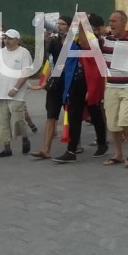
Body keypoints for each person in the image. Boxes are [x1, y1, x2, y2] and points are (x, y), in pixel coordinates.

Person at [51, 15, 107, 164]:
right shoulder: (73, 38)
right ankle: (71, 150)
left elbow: (85, 45)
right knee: (74, 117)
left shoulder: (94, 39)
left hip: (90, 83)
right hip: (75, 82)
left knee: (95, 115)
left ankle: (102, 143)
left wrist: (81, 25)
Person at [100, 10, 128, 169]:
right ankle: (118, 153)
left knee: (125, 119)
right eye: (110, 21)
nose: (111, 24)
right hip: (111, 85)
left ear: (123, 23)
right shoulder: (105, 40)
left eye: (114, 21)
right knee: (112, 122)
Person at [0, 29, 33, 157]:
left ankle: (25, 138)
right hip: (0, 92)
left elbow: (25, 73)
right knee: (1, 121)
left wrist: (16, 88)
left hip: (16, 94)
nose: (7, 41)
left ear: (17, 39)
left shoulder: (24, 53)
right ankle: (7, 148)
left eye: (10, 38)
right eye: (5, 38)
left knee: (18, 120)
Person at [28, 15, 71, 159]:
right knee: (51, 116)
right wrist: (45, 81)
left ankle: (74, 146)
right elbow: (50, 63)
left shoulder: (74, 41)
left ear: (69, 26)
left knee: (72, 115)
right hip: (55, 83)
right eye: (58, 24)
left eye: (63, 24)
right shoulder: (53, 42)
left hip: (71, 82)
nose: (59, 26)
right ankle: (46, 149)